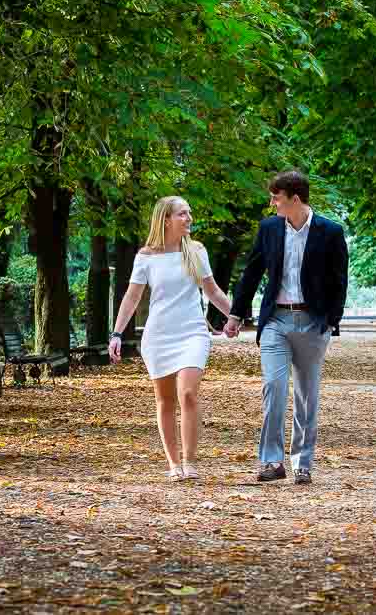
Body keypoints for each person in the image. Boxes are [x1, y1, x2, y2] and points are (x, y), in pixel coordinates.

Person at [223, 171, 349, 485]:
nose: (272, 203)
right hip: (276, 320)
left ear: (295, 198)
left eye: (276, 198)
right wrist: (236, 314)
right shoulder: (269, 228)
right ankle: (271, 461)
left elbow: (339, 280)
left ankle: (303, 462)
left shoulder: (330, 231)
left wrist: (331, 321)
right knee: (274, 389)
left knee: (307, 395)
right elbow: (252, 272)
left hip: (312, 322)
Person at [109, 196, 233, 482]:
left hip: (192, 333)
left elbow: (212, 292)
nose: (189, 218)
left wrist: (233, 317)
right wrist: (117, 333)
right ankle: (174, 464)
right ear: (166, 219)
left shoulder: (196, 251)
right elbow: (132, 297)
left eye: (189, 213)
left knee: (188, 393)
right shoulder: (146, 257)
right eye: (182, 214)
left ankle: (190, 461)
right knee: (165, 401)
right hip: (159, 336)